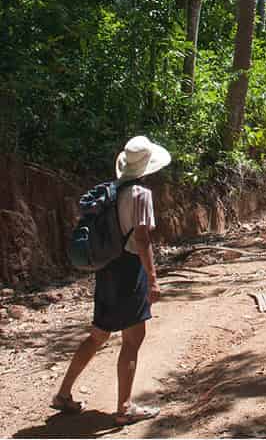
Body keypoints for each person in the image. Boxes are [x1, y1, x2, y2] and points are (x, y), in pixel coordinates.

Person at [52, 135, 170, 426]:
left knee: (98, 334)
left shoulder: (113, 190)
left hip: (106, 268)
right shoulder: (141, 194)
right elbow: (142, 240)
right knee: (133, 339)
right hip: (129, 271)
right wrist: (153, 279)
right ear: (148, 167)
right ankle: (124, 407)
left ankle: (63, 394)